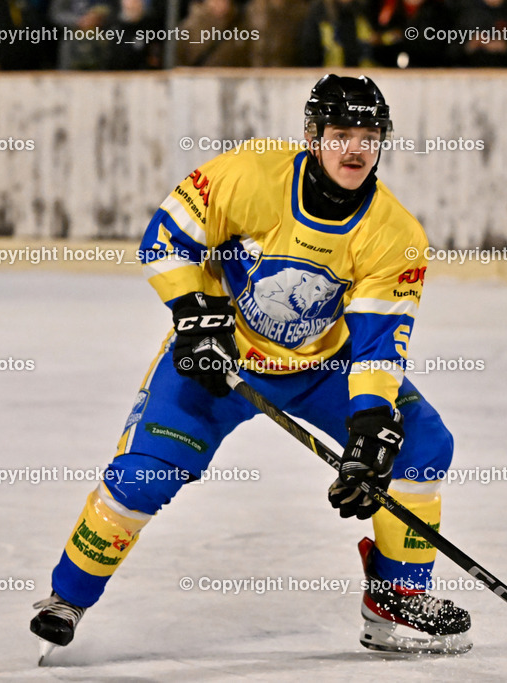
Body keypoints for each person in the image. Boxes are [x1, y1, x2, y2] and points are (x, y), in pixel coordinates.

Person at [30, 74, 472, 663]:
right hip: (223, 356)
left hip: (324, 365)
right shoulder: (249, 177)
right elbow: (168, 236)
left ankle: (395, 599)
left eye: (369, 136)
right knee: (144, 477)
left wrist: (369, 426)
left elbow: (376, 343)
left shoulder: (394, 234)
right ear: (313, 136)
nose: (355, 150)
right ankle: (68, 599)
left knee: (419, 445)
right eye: (341, 134)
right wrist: (194, 314)